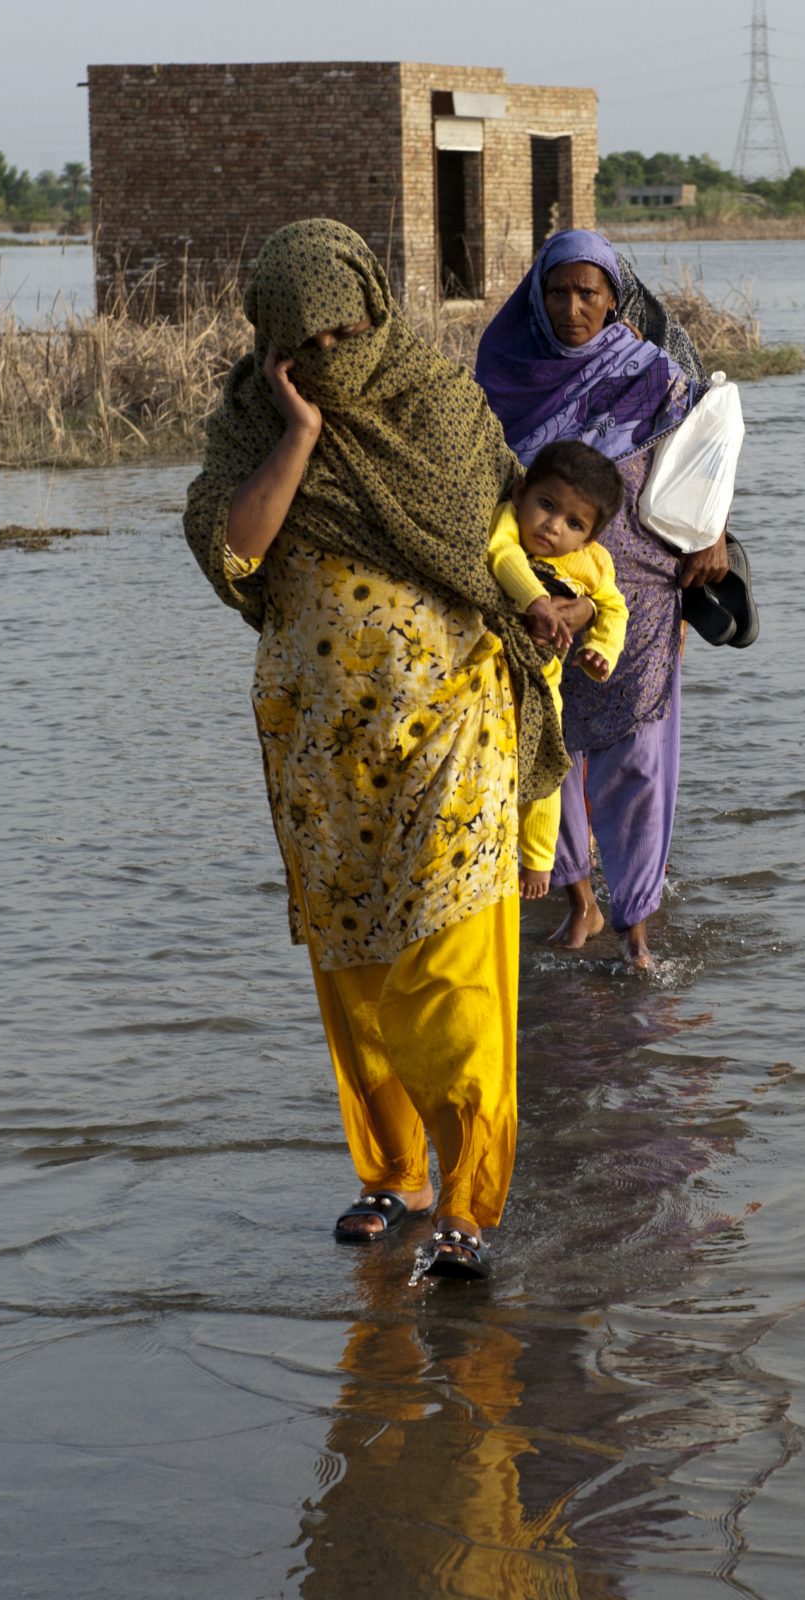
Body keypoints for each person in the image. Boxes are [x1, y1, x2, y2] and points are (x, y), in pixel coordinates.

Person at [184, 219, 574, 1282]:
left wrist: (550, 610)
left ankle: (469, 1200)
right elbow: (237, 551)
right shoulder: (247, 423)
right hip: (319, 754)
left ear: (376, 307)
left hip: (452, 732)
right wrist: (300, 432)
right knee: (357, 974)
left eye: (348, 327)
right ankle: (392, 1173)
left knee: (449, 976)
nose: (332, 352)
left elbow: (501, 542)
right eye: (305, 341)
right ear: (271, 339)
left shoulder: (440, 405)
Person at [474, 229, 733, 973]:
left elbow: (699, 469)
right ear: (536, 295)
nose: (572, 307)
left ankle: (638, 923)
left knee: (639, 757)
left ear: (615, 302)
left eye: (589, 293)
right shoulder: (501, 370)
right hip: (535, 597)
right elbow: (481, 485)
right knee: (542, 747)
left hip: (640, 598)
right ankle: (578, 898)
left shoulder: (651, 373)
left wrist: (714, 533)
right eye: (557, 291)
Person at [484, 439, 630, 903]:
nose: (552, 526)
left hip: (544, 683)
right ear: (522, 492)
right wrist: (537, 601)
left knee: (545, 770)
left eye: (573, 524)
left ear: (589, 538)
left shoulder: (592, 562)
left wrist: (602, 651)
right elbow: (502, 555)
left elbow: (614, 608)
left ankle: (539, 860)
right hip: (490, 670)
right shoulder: (505, 520)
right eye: (545, 505)